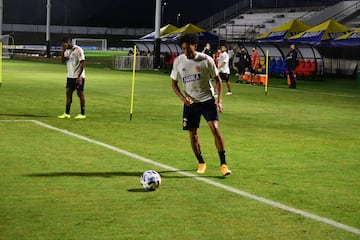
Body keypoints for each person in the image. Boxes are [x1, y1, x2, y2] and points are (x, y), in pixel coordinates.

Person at [170, 33, 231, 176]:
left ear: (195, 46)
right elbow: (174, 83)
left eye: (188, 49)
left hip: (207, 101)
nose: (186, 52)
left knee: (215, 129)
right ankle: (201, 162)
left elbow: (218, 80)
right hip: (191, 104)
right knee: (193, 135)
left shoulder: (206, 60)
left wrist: (219, 101)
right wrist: (182, 98)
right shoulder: (179, 61)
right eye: (183, 49)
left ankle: (223, 164)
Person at [58, 37, 86, 119]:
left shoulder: (78, 50)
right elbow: (63, 61)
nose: (65, 46)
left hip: (78, 76)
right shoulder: (66, 51)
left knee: (80, 94)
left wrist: (79, 76)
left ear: (69, 42)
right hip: (70, 76)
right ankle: (67, 113)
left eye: (65, 44)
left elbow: (83, 62)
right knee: (68, 93)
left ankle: (82, 113)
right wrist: (63, 51)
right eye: (63, 45)